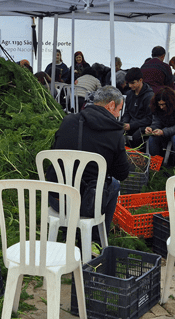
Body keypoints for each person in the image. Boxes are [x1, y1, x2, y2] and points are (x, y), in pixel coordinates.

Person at [48, 86, 130, 240]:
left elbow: (55, 152)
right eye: (118, 109)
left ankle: (68, 233)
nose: (118, 114)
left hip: (57, 198)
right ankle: (97, 239)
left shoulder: (68, 120)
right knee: (114, 184)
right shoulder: (115, 132)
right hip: (87, 203)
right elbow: (122, 174)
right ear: (111, 105)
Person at [144, 87, 175, 160]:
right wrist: (151, 128)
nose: (161, 107)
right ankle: (155, 163)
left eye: (163, 105)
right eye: (159, 105)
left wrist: (163, 131)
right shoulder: (157, 107)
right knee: (152, 138)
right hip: (166, 129)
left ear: (169, 103)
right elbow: (156, 122)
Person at [119, 67, 153, 147]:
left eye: (132, 83)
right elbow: (127, 112)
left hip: (143, 126)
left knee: (137, 136)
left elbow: (149, 119)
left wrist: (131, 125)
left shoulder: (149, 96)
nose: (130, 85)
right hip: (131, 124)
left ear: (140, 80)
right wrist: (124, 123)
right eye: (129, 83)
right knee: (117, 131)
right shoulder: (129, 94)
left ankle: (136, 156)